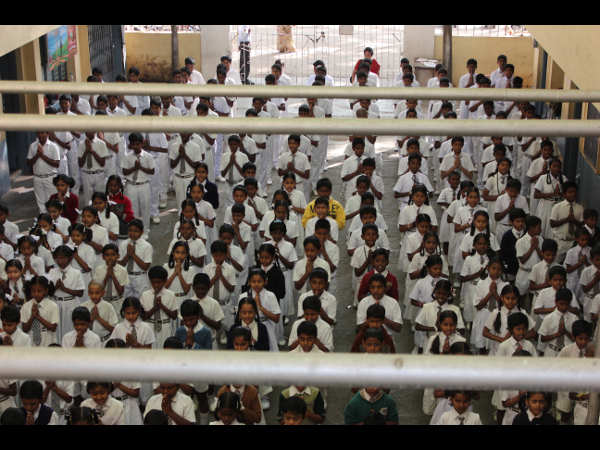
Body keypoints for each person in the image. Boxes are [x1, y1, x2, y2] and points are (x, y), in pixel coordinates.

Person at [121, 133, 156, 234]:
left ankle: (145, 231)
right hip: (132, 185)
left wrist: (140, 167)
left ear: (142, 144)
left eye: (138, 144)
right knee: (133, 210)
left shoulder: (148, 156)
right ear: (130, 145)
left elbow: (152, 171)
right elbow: (124, 172)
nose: (136, 147)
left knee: (145, 209)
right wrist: (134, 168)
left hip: (144, 185)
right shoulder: (127, 157)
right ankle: (135, 231)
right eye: (133, 144)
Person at [537, 288, 579, 357]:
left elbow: (576, 338)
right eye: (561, 304)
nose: (564, 307)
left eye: (566, 304)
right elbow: (542, 338)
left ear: (570, 303)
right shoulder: (548, 318)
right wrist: (557, 334)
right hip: (551, 351)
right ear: (556, 302)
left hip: (567, 352)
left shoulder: (574, 318)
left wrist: (565, 332)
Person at [27, 131, 61, 213]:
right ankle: (43, 221)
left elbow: (57, 164)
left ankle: (53, 221)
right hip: (37, 178)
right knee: (40, 203)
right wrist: (37, 155)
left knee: (52, 201)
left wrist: (42, 156)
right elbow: (28, 163)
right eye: (38, 133)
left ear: (47, 134)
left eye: (42, 133)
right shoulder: (33, 146)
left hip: (50, 177)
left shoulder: (53, 146)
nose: (40, 135)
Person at [20, 276, 59, 346]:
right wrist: (32, 316)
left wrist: (38, 317)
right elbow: (24, 329)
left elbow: (53, 328)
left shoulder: (53, 306)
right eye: (33, 291)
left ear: (46, 290)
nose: (36, 294)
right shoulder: (25, 306)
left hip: (48, 339)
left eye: (39, 291)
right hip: (31, 339)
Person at [550, 181, 584, 261]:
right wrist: (567, 219)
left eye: (574, 192)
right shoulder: (557, 207)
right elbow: (552, 223)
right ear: (564, 194)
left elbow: (582, 225)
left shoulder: (580, 208)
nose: (572, 194)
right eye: (570, 192)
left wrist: (574, 221)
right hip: (560, 242)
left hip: (573, 243)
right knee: (557, 263)